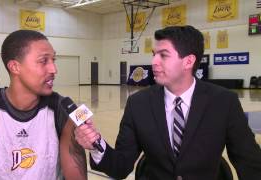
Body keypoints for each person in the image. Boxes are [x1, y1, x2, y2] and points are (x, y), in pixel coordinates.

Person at [74, 25, 261, 180]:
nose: (154, 61)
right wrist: (97, 145)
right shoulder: (138, 104)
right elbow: (121, 166)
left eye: (163, 55)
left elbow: (250, 163)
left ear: (188, 62)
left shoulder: (224, 102)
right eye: (154, 54)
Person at [0, 30, 87, 180]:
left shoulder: (64, 110)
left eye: (53, 60)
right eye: (44, 61)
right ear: (15, 67)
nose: (54, 69)